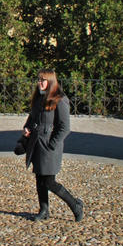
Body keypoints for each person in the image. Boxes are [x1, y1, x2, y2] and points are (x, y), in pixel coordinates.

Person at [22, 69, 84, 222]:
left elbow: (65, 127)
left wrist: (52, 144)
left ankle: (75, 205)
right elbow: (32, 117)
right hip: (37, 143)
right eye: (38, 80)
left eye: (43, 80)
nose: (39, 83)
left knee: (49, 181)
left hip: (49, 146)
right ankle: (44, 210)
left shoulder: (60, 99)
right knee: (39, 178)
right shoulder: (39, 98)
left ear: (50, 81)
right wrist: (27, 128)